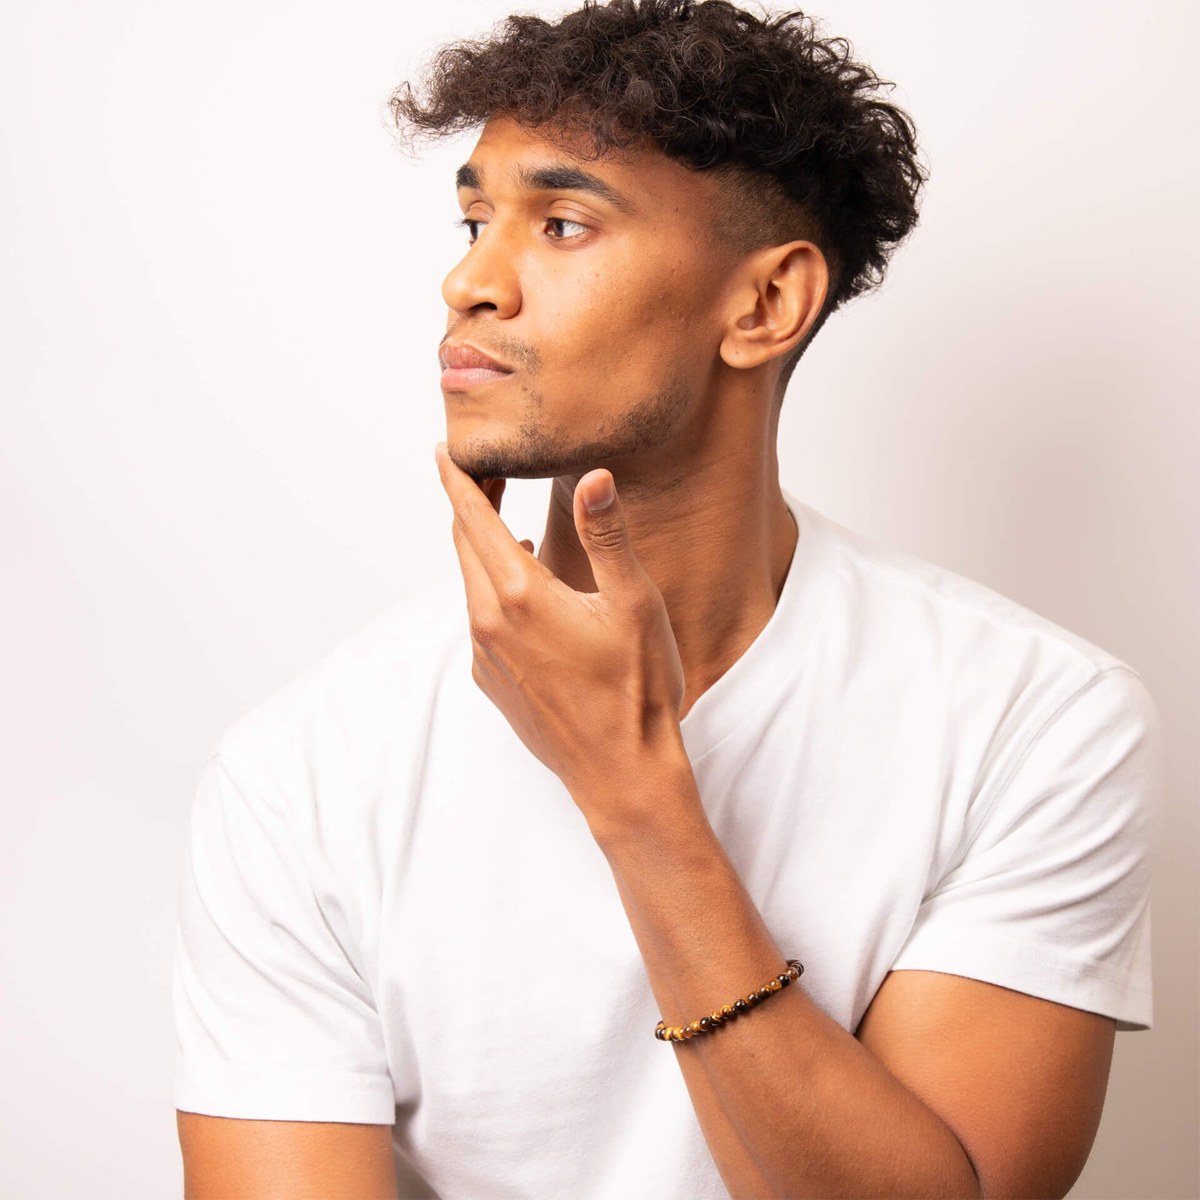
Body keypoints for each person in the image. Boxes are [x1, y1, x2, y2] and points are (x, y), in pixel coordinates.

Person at [172, 2, 1164, 1197]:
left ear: (763, 307)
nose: (469, 279)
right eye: (476, 216)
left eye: (563, 222)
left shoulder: (1035, 719)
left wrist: (635, 796)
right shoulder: (304, 772)